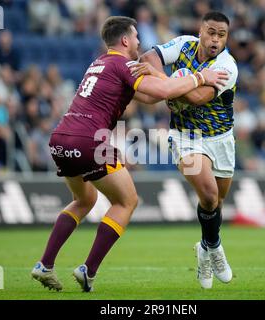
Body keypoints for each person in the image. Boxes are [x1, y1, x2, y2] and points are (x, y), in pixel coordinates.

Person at [31, 15, 228, 292]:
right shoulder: (123, 63)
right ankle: (89, 270)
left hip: (61, 139)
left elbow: (151, 96)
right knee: (127, 201)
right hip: (89, 141)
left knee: (84, 199)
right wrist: (199, 77)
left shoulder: (99, 63)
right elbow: (164, 89)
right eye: (135, 37)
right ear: (125, 40)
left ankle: (45, 264)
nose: (139, 42)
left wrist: (169, 91)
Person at [136, 11, 238, 289]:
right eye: (211, 32)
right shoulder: (183, 44)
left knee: (216, 202)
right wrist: (171, 75)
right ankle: (215, 247)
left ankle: (204, 249)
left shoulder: (227, 65)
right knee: (208, 194)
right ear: (200, 30)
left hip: (221, 138)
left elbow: (195, 97)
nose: (215, 39)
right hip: (186, 135)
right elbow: (147, 58)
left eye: (222, 34)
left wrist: (165, 81)